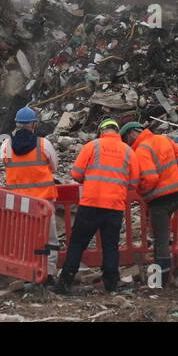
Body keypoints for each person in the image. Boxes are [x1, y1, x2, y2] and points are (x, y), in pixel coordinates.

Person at [55, 118, 142, 294]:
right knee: (111, 245)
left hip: (91, 204)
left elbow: (76, 173)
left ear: (101, 131)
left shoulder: (92, 146)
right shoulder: (128, 151)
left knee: (78, 243)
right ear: (117, 133)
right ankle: (111, 283)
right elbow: (134, 182)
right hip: (115, 206)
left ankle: (65, 281)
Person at [120, 122, 178, 286]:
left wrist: (142, 192)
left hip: (159, 200)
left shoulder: (142, 149)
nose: (126, 143)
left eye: (125, 139)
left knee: (161, 240)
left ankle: (159, 282)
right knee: (162, 236)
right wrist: (170, 177)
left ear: (131, 134)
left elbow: (150, 178)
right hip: (176, 194)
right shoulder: (163, 139)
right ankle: (161, 278)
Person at [0, 106, 60, 276]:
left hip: (19, 204)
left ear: (16, 124)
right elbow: (54, 166)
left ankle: (25, 272)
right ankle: (48, 273)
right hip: (43, 203)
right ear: (34, 125)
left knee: (23, 240)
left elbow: (3, 161)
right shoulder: (43, 144)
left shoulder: (6, 146)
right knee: (48, 240)